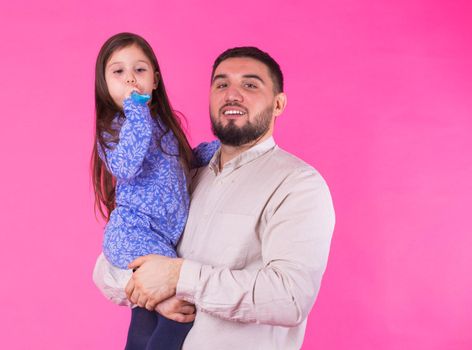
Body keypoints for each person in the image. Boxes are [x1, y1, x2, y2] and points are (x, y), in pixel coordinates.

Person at [125, 46, 336, 349]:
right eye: (222, 84)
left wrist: (179, 277)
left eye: (250, 85)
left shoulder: (298, 186)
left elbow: (290, 298)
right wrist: (149, 291)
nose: (232, 95)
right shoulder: (185, 175)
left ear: (278, 104)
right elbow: (110, 263)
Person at [90, 32, 218, 350]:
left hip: (159, 237)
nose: (131, 79)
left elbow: (182, 164)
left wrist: (220, 149)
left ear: (155, 80)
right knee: (179, 309)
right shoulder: (114, 129)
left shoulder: (161, 124)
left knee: (146, 316)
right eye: (118, 72)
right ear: (105, 85)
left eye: (140, 70)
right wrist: (136, 113)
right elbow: (126, 166)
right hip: (135, 233)